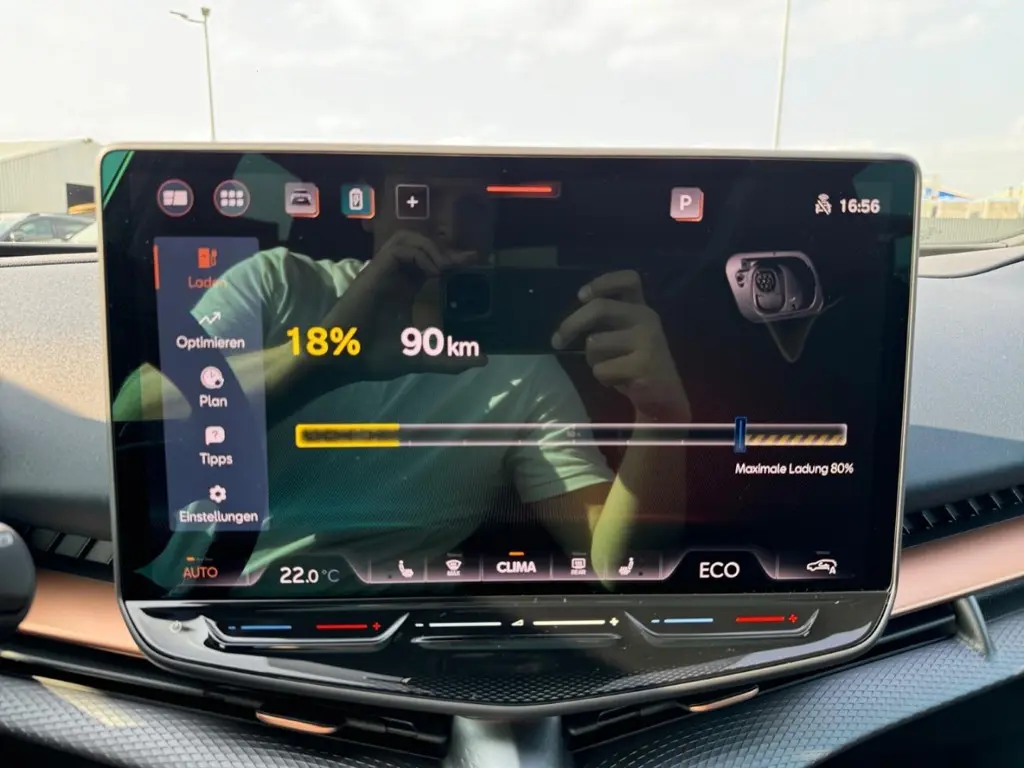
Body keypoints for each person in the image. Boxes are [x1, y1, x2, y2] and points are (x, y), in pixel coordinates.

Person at [114, 176, 690, 592]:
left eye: (473, 203)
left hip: (377, 634)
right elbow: (136, 407)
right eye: (420, 195)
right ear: (366, 207)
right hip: (186, 600)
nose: (449, 223)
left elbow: (615, 566)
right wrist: (324, 352)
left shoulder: (524, 368)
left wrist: (661, 416)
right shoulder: (278, 281)